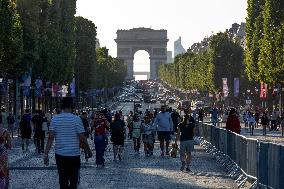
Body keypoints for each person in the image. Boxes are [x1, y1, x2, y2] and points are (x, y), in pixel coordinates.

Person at [44, 97, 92, 189]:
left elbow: (50, 138)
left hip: (60, 155)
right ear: (72, 106)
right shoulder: (76, 119)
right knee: (74, 182)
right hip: (74, 155)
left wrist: (46, 154)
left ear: (62, 106)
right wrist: (88, 151)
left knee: (63, 181)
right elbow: (82, 138)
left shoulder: (55, 119)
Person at [0, 120, 12, 189]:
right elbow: (10, 146)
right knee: (4, 168)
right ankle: (5, 186)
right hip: (3, 153)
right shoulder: (6, 131)